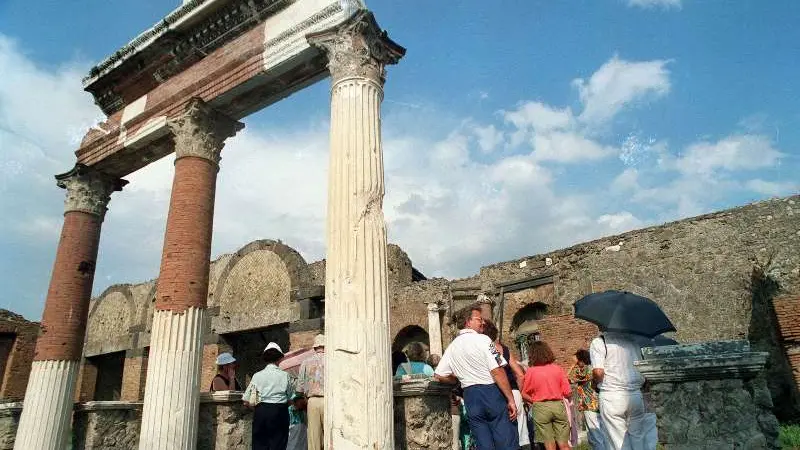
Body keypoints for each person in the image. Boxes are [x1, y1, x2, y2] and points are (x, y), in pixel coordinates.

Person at [434, 303, 519, 450]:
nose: (483, 322)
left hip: (470, 396)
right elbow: (497, 371)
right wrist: (511, 399)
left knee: (483, 444)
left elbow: (438, 374)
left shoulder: (452, 346)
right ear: (468, 322)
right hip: (491, 392)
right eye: (479, 319)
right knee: (506, 440)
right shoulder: (484, 340)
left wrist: (455, 380)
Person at [589, 331, 653, 450]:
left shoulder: (599, 342)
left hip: (611, 394)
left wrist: (594, 383)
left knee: (617, 440)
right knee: (638, 436)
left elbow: (598, 372)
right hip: (634, 394)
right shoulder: (633, 342)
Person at [482, 319, 531, 450]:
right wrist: (518, 393)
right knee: (521, 435)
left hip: (496, 393)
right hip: (514, 392)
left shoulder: (486, 349)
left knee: (502, 435)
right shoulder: (504, 349)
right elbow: (520, 374)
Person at [521, 341, 571, 450]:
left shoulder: (531, 371)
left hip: (540, 407)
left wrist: (534, 401)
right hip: (558, 405)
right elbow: (568, 392)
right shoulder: (557, 368)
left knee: (549, 444)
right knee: (564, 444)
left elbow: (524, 394)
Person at [243, 342, 293, 450]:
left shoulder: (257, 376)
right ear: (279, 358)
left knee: (260, 444)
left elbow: (246, 400)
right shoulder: (285, 376)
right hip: (280, 411)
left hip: (261, 412)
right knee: (279, 444)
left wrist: (257, 409)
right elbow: (290, 398)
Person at [568, 349, 606, 450]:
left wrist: (572, 365)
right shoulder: (591, 368)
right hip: (596, 404)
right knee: (600, 434)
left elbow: (566, 378)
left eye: (576, 361)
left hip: (590, 405)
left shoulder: (583, 370)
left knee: (595, 436)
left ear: (581, 360)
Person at [296, 334, 325, 450]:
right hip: (329, 401)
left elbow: (299, 388)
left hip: (312, 402)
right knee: (330, 434)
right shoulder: (333, 360)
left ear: (315, 348)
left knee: (314, 437)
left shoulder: (306, 362)